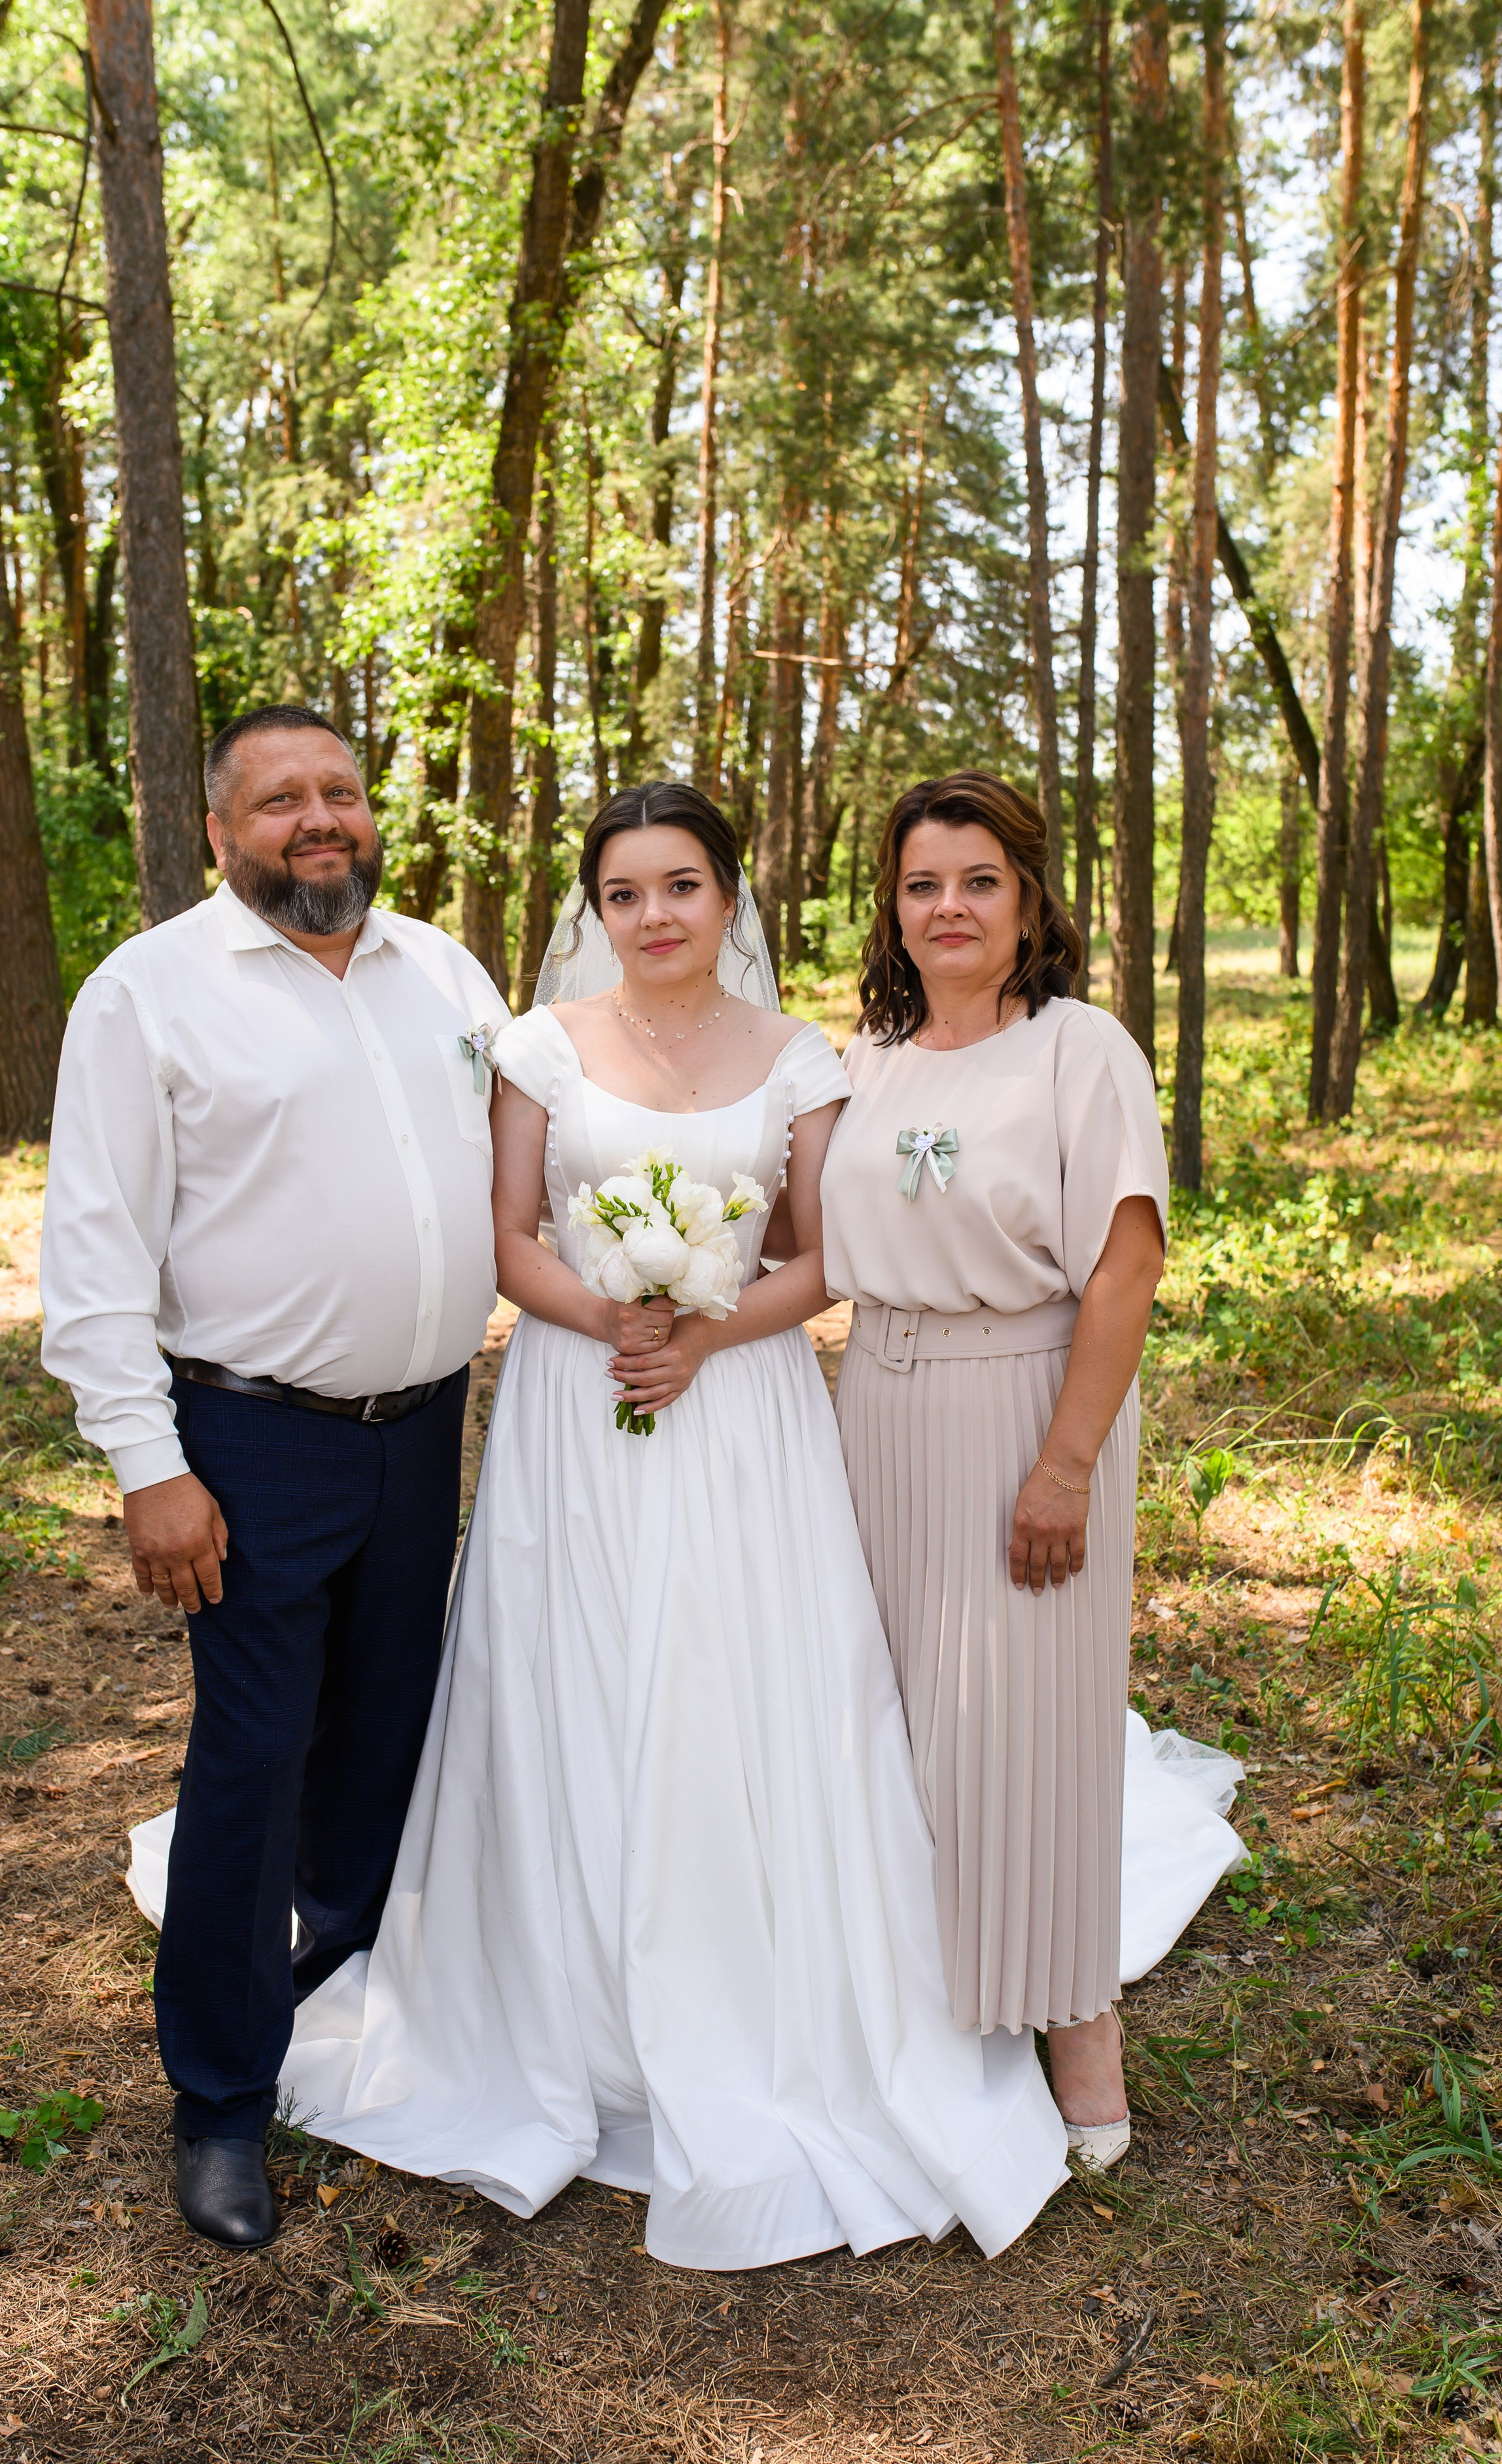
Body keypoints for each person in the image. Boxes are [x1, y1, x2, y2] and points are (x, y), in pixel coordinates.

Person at [189, 777, 1075, 2270]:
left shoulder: (803, 1058)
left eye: (680, 886)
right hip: (575, 1403)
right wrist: (618, 1313)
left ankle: (758, 1989)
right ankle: (551, 1993)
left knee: (744, 1682)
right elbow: (505, 1232)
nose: (652, 915)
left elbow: (820, 1250)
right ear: (591, 912)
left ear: (729, 898)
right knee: (574, 1673)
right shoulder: (540, 1044)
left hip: (740, 1418)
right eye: (622, 893)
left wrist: (707, 1330)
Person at [41, 703, 508, 2248]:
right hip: (249, 1439)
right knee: (251, 1753)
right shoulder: (148, 996)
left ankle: (343, 1964)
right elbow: (95, 1254)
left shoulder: (444, 972)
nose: (320, 819)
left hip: (425, 1422)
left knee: (385, 1728)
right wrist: (145, 1465)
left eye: (342, 792)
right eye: (281, 800)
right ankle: (222, 2098)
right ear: (218, 833)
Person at [820, 770, 1181, 2169]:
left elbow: (1124, 1264)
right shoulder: (865, 1060)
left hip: (1027, 1395)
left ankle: (1072, 2021)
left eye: (977, 879)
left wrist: (1065, 1463)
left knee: (1028, 1719)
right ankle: (925, 2013)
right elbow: (805, 1248)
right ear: (892, 909)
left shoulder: (1077, 1050)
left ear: (1026, 897)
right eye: (921, 884)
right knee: (899, 1720)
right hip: (875, 1404)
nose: (948, 906)